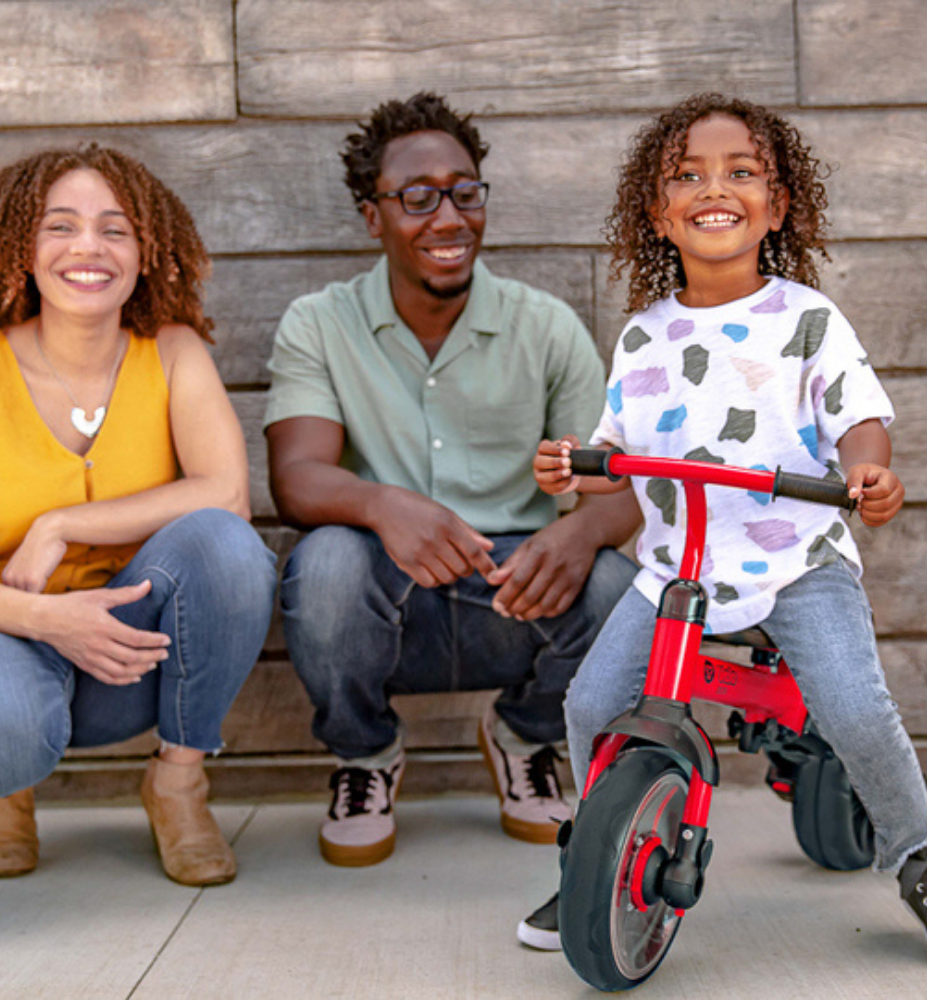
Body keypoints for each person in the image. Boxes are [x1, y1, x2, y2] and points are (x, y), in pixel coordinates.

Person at [523, 92, 927, 950]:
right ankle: (590, 865)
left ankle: (917, 853)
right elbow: (614, 463)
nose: (717, 187)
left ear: (777, 204)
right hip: (675, 567)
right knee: (593, 700)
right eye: (688, 175)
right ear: (658, 213)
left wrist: (866, 465)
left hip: (795, 561)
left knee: (853, 710)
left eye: (742, 172)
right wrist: (569, 467)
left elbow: (859, 412)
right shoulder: (642, 338)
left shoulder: (806, 320)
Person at [264, 92, 641, 868]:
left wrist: (582, 527)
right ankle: (365, 758)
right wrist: (383, 504)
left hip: (515, 589)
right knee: (324, 564)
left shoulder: (545, 326)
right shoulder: (319, 322)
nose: (449, 218)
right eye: (417, 197)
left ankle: (525, 739)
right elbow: (296, 478)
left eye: (465, 192)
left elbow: (616, 491)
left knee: (615, 586)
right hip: (387, 595)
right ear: (374, 216)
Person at [0, 145, 277, 887]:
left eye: (115, 229)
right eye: (61, 226)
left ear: (147, 252)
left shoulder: (175, 353)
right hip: (2, 634)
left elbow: (225, 495)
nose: (89, 247)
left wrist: (61, 523)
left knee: (227, 544)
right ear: (21, 247)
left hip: (129, 658)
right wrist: (51, 621)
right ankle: (2, 787)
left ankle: (177, 784)